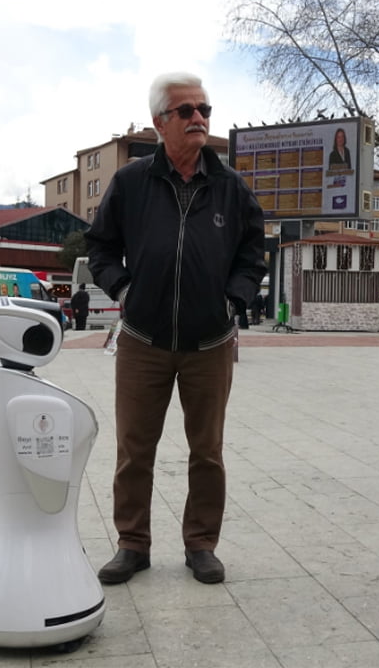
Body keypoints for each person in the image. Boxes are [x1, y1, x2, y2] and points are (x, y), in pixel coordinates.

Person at [86, 72, 265, 585]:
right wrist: (123, 289)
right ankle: (132, 544)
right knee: (134, 451)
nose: (199, 119)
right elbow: (99, 246)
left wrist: (234, 301)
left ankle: (201, 544)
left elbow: (254, 252)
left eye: (204, 109)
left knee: (207, 452)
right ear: (160, 122)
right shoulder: (130, 182)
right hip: (143, 341)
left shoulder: (230, 187)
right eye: (186, 111)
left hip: (209, 344)